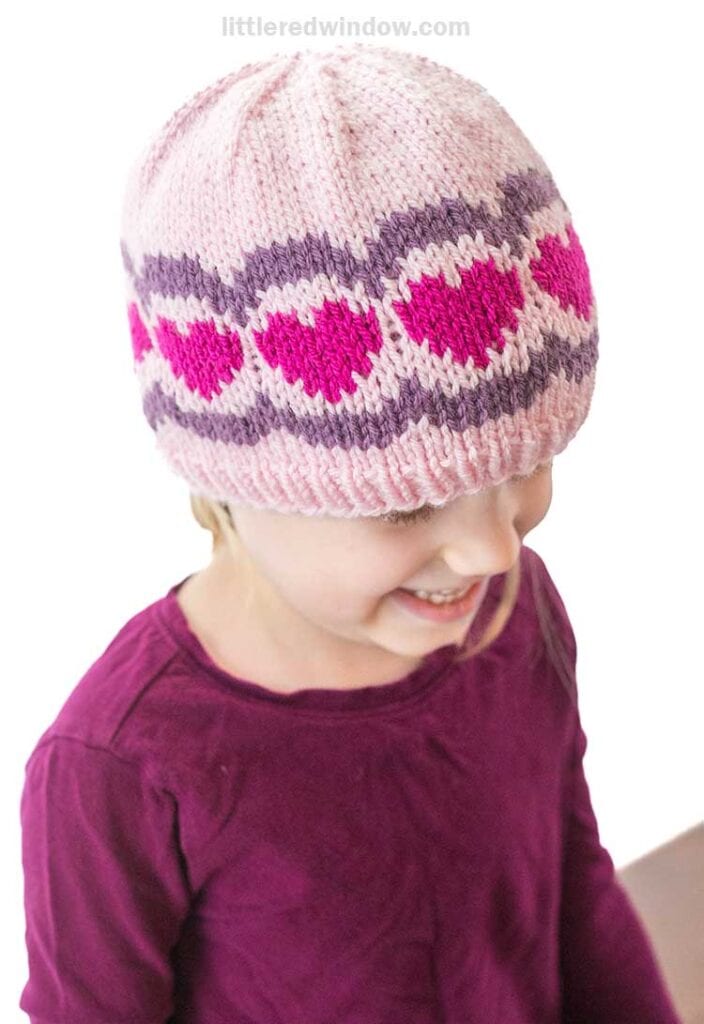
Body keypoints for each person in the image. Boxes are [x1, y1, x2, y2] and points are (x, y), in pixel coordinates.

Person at [18, 43, 683, 1024]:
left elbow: (570, 885)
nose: (495, 550)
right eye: (407, 505)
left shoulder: (513, 609)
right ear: (230, 471)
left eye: (524, 467)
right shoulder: (120, 766)